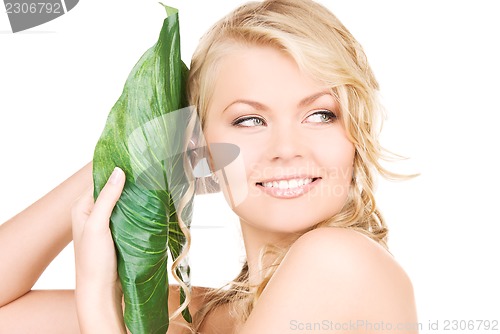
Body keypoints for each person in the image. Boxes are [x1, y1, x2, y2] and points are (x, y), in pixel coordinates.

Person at [0, 0, 418, 333]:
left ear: (356, 129)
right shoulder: (197, 315)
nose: (286, 149)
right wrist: (134, 155)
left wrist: (96, 301)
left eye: (321, 114)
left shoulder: (340, 261)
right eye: (249, 120)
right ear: (199, 144)